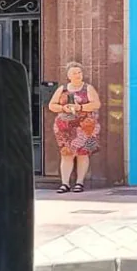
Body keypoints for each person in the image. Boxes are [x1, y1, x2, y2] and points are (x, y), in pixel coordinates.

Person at [48, 61, 101, 193]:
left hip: (84, 127)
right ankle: (65, 183)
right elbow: (51, 105)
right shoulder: (62, 89)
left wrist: (80, 107)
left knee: (83, 154)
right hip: (65, 127)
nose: (78, 75)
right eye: (74, 73)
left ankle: (79, 182)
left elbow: (96, 104)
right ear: (68, 75)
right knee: (66, 154)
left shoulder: (88, 88)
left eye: (79, 72)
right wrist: (63, 108)